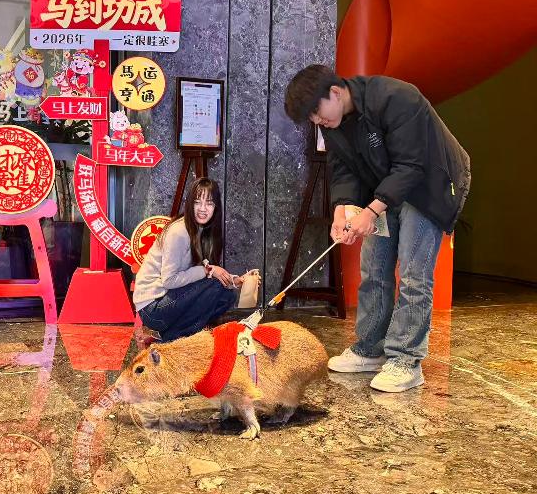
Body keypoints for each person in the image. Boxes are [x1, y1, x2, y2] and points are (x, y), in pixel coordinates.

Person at [284, 64, 471, 392]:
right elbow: (341, 167)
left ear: (336, 92)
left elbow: (412, 165)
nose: (317, 121)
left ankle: (406, 360)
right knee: (374, 266)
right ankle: (370, 348)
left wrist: (371, 210)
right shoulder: (333, 122)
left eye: (316, 112)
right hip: (386, 185)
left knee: (414, 273)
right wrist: (341, 209)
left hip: (430, 184)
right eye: (311, 118)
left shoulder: (397, 98)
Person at [133, 178, 254, 343]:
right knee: (215, 286)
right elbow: (169, 280)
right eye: (197, 202)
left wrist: (235, 281)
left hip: (169, 299)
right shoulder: (179, 232)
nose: (203, 209)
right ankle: (171, 337)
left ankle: (172, 334)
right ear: (190, 204)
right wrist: (207, 271)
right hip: (153, 308)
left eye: (209, 203)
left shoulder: (201, 230)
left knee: (227, 296)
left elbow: (205, 267)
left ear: (216, 207)